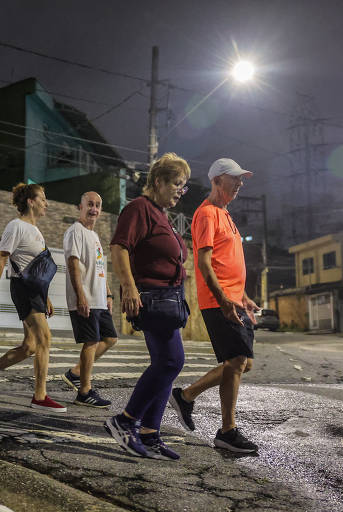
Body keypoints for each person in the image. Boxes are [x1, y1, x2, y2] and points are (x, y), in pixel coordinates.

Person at [169, 157, 260, 453]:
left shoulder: (226, 215)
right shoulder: (207, 214)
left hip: (234, 299)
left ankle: (187, 396)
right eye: (235, 178)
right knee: (235, 362)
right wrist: (223, 300)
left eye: (241, 179)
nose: (240, 184)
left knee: (243, 363)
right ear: (217, 180)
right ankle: (227, 431)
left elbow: (228, 262)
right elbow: (205, 263)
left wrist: (243, 295)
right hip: (219, 301)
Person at [103, 153, 191, 460]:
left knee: (167, 365)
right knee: (170, 362)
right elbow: (119, 247)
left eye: (185, 186)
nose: (182, 190)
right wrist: (128, 286)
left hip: (170, 300)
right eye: (178, 184)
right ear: (158, 182)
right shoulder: (139, 208)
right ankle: (124, 421)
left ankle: (150, 433)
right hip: (152, 298)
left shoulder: (162, 215)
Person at [0, 183, 66, 413]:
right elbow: (1, 261)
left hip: (34, 292)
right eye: (42, 198)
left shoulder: (35, 230)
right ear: (30, 201)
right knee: (45, 338)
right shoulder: (16, 226)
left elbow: (38, 271)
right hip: (23, 290)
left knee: (30, 346)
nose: (46, 203)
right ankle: (40, 395)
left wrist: (46, 298)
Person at [61, 191, 116, 408]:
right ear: (80, 207)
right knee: (91, 342)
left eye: (98, 205)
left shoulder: (93, 235)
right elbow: (73, 264)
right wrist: (81, 296)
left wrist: (109, 293)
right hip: (86, 299)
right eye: (90, 205)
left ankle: (76, 372)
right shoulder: (75, 231)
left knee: (110, 338)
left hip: (99, 299)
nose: (94, 209)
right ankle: (84, 392)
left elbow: (99, 268)